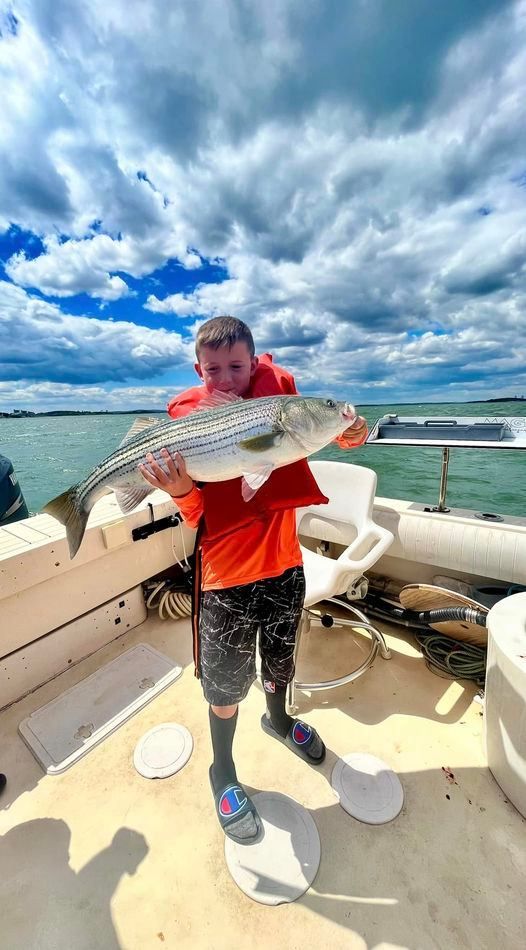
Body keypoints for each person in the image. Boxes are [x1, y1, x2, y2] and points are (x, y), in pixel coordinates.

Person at [138, 316, 367, 844]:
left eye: (237, 366)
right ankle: (222, 768)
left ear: (253, 363)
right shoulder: (196, 422)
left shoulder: (281, 409)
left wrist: (353, 425)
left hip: (286, 568)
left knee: (281, 664)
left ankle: (280, 722)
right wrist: (177, 490)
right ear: (198, 370)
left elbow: (340, 432)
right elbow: (196, 518)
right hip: (224, 580)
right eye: (212, 369)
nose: (224, 378)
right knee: (223, 688)